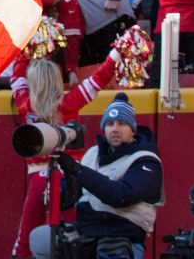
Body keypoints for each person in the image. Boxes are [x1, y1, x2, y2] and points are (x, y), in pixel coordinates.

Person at [9, 49, 121, 258]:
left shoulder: (24, 103)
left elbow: (16, 76)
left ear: (34, 83)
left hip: (39, 181)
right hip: (70, 181)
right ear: (58, 81)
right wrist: (115, 54)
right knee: (73, 239)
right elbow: (98, 79)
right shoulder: (70, 103)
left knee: (24, 242)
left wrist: (28, 48)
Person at [31, 93, 163, 259]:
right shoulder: (94, 153)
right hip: (87, 232)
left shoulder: (146, 160)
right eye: (109, 124)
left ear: (133, 130)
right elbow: (71, 196)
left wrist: (77, 169)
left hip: (121, 234)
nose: (114, 129)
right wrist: (56, 184)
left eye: (121, 123)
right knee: (40, 238)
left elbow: (121, 196)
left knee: (112, 249)